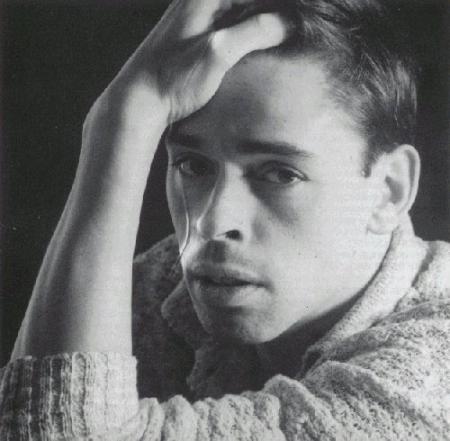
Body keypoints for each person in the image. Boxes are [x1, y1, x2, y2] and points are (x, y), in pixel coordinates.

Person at [1, 0, 449, 439]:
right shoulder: (162, 286)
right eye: (193, 165)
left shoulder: (432, 373)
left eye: (280, 174)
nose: (211, 222)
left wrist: (120, 120)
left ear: (390, 190)